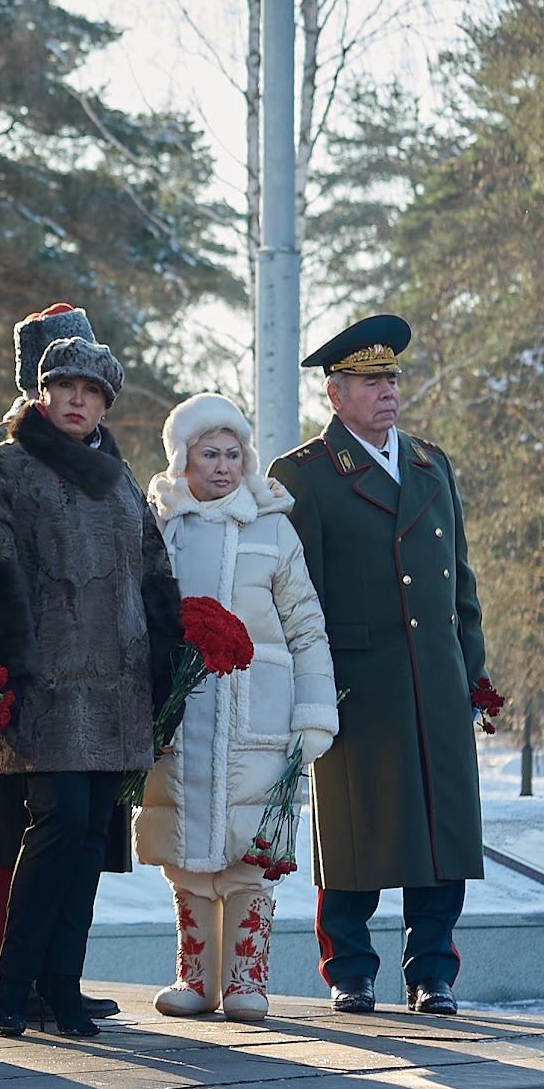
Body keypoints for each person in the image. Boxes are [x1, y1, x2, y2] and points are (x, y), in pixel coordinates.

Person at [0, 334, 178, 1038]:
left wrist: (165, 672)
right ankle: (12, 985)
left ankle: (64, 985)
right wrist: (2, 676)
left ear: (106, 402)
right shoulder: (5, 468)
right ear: (41, 394)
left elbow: (154, 578)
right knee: (54, 827)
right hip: (44, 685)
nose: (77, 400)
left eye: (91, 391)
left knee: (89, 838)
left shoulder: (117, 477)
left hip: (114, 689)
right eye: (64, 387)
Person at [270, 314, 488, 1018]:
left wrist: (472, 673)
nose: (387, 392)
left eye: (391, 378)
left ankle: (434, 971)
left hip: (435, 678)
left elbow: (460, 584)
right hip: (355, 683)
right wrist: (310, 689)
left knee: (441, 829)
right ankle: (351, 969)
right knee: (354, 830)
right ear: (335, 395)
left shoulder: (432, 462)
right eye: (369, 381)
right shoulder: (304, 475)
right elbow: (295, 597)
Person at [138, 394, 338, 1024]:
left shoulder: (274, 527)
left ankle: (247, 979)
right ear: (183, 459)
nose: (222, 467)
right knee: (187, 847)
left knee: (251, 849)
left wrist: (313, 712)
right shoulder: (162, 528)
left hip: (260, 714)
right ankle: (195, 978)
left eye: (233, 454)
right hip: (183, 714)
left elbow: (306, 626)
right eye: (208, 454)